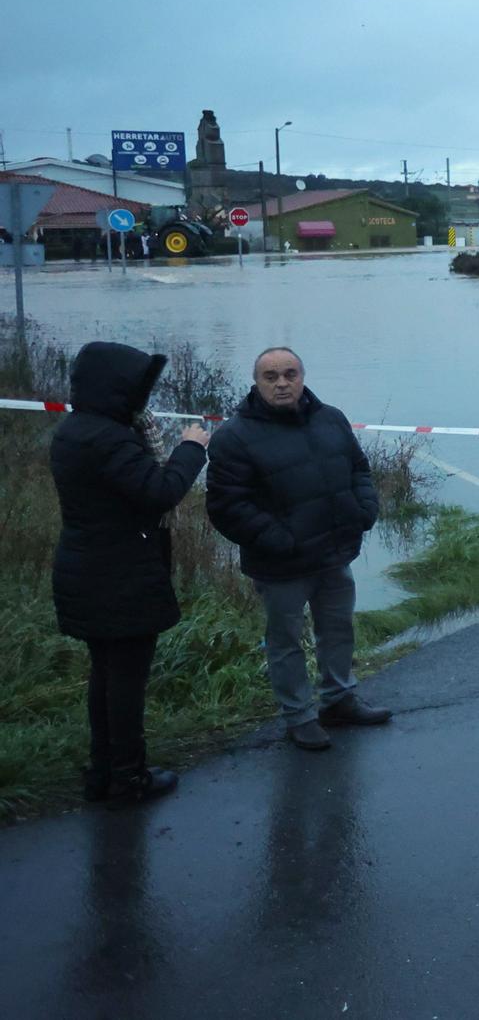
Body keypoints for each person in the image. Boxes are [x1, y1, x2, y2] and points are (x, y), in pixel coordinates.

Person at [49, 343, 210, 805]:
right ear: (115, 387)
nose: (142, 396)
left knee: (105, 675)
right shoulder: (109, 439)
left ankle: (104, 772)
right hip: (118, 575)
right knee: (124, 682)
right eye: (136, 387)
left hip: (89, 568)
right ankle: (129, 779)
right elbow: (159, 491)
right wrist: (190, 449)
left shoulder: (75, 430)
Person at [207, 347, 390, 751]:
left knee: (338, 629)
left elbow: (359, 468)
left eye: (290, 374)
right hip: (281, 566)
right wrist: (278, 540)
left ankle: (339, 700)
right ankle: (299, 716)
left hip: (334, 552)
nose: (282, 383)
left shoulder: (331, 419)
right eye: (271, 377)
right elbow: (226, 506)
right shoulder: (234, 437)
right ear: (256, 383)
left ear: (302, 376)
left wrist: (364, 509)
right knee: (286, 640)